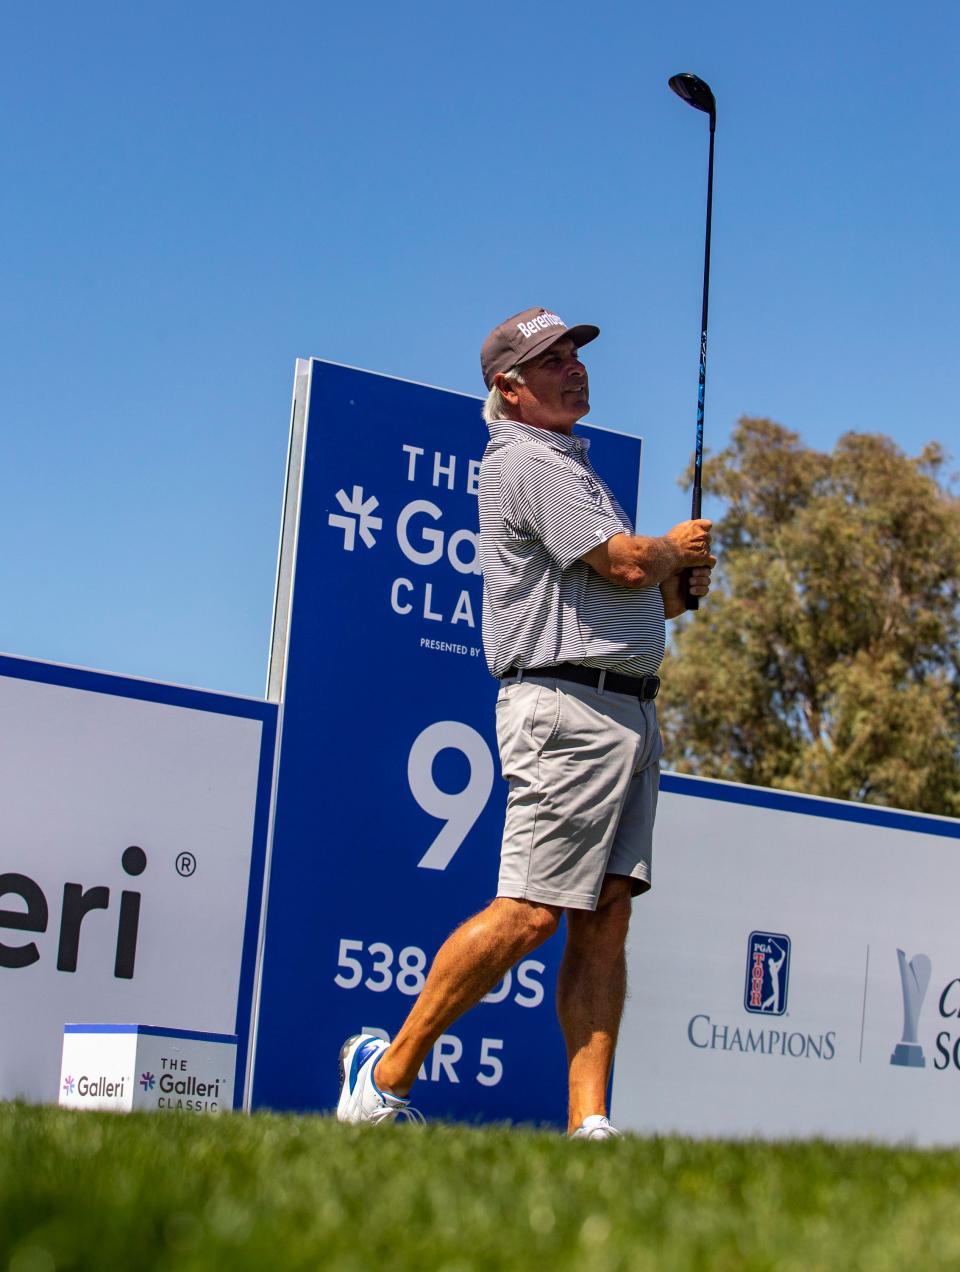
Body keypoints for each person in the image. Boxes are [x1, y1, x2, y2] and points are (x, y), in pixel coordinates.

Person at [337, 306, 714, 1137]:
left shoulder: (572, 464)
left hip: (625, 713)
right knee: (531, 913)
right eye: (551, 361)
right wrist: (670, 553)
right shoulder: (526, 459)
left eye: (574, 353)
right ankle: (382, 1078)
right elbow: (621, 560)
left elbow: (626, 587)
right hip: (567, 708)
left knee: (605, 915)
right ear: (509, 389)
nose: (573, 367)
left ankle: (590, 1126)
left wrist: (674, 588)